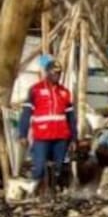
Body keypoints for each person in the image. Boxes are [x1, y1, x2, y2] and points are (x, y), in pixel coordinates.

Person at [18, 59, 76, 196]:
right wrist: (22, 134)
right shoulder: (35, 90)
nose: (57, 75)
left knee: (59, 168)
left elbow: (71, 118)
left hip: (61, 137)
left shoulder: (65, 92)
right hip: (42, 137)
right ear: (47, 73)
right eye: (54, 72)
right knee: (39, 168)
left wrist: (74, 138)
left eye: (59, 73)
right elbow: (26, 113)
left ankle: (53, 194)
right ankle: (34, 193)